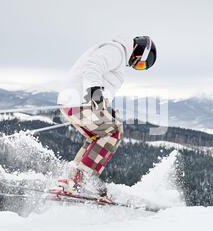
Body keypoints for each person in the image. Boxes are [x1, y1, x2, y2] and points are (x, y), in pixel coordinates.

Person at [54, 35, 157, 201]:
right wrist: (95, 96)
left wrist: (105, 107)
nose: (138, 67)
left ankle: (72, 180)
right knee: (114, 132)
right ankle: (77, 181)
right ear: (139, 52)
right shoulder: (116, 50)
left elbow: (102, 82)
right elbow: (92, 67)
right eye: (142, 64)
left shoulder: (117, 54)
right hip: (80, 100)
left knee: (97, 137)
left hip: (75, 101)